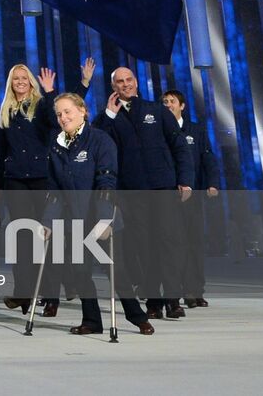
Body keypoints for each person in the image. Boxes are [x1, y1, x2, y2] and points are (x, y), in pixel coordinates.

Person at [43, 93, 153, 334]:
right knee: (80, 272)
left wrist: (105, 220)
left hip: (99, 220)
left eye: (68, 112)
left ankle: (137, 316)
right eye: (59, 114)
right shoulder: (56, 144)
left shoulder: (100, 140)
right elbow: (55, 189)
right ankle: (92, 321)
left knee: (116, 271)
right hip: (74, 221)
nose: (63, 118)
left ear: (82, 111)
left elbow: (106, 182)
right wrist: (48, 222)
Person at [94, 67, 194, 320]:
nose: (125, 85)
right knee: (144, 246)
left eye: (129, 80)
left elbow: (179, 145)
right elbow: (99, 145)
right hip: (132, 191)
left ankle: (172, 298)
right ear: (113, 87)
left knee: (169, 242)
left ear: (136, 83)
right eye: (120, 82)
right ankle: (153, 299)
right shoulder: (109, 118)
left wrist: (185, 181)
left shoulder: (156, 110)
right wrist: (109, 115)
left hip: (163, 187)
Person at [0, 64, 57, 314]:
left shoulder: (41, 105)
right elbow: (1, 152)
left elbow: (55, 123)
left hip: (42, 179)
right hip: (15, 180)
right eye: (16, 78)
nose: (20, 81)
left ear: (31, 82)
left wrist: (50, 92)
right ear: (11, 83)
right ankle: (24, 293)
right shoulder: (6, 110)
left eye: (24, 78)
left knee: (43, 237)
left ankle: (51, 296)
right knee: (21, 238)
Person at [160, 88, 220, 307]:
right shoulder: (159, 130)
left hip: (192, 196)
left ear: (182, 106)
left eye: (172, 101)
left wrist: (212, 183)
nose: (168, 104)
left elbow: (208, 158)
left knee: (194, 242)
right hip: (168, 195)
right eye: (164, 101)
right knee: (173, 244)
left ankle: (195, 291)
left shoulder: (196, 130)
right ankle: (174, 290)